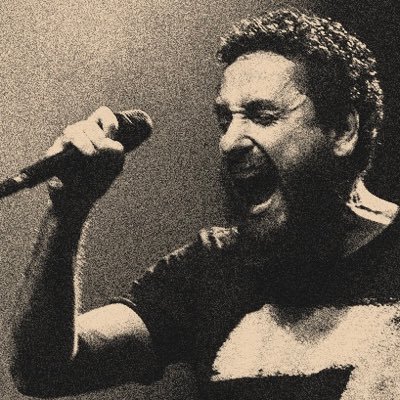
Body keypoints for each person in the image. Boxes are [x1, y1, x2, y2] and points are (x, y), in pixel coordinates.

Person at [10, 8, 400, 399]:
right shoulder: (212, 269)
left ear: (342, 131)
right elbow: (42, 371)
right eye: (225, 120)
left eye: (262, 116)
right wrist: (68, 209)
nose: (229, 142)